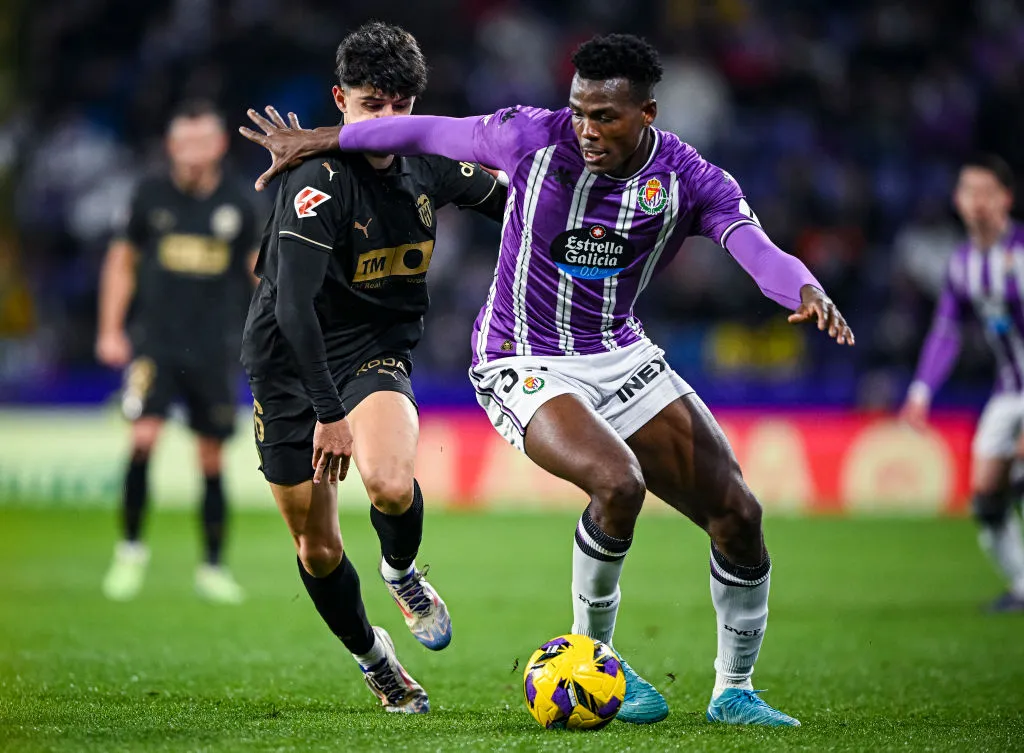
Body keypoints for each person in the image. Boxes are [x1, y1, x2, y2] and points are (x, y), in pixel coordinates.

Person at [240, 33, 854, 726]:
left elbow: (754, 245)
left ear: (646, 113)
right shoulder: (529, 135)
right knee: (610, 483)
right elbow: (427, 131)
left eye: (605, 117)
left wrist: (802, 287)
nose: (585, 130)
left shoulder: (688, 178)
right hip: (516, 355)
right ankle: (568, 654)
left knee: (740, 513)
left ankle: (733, 689)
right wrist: (322, 139)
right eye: (579, 110)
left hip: (615, 352)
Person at [239, 22, 507, 713]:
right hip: (289, 362)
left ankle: (402, 571)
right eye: (369, 105)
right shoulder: (316, 179)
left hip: (369, 346)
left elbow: (519, 205)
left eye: (399, 105)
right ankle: (374, 657)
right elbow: (293, 309)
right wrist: (329, 415)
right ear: (341, 100)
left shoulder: (431, 163)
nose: (386, 122)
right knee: (317, 544)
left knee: (389, 482)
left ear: (416, 104)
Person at [97, 100, 260, 604]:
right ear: (171, 146)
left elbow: (259, 274)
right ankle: (130, 552)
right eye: (182, 143)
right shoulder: (150, 196)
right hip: (155, 344)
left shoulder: (239, 202)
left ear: (219, 146)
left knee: (210, 457)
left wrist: (276, 333)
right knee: (142, 438)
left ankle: (212, 567)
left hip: (214, 346)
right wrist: (110, 329)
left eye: (201, 143)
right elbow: (121, 262)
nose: (191, 154)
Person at [901, 154, 1024, 613]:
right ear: (957, 199)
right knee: (987, 500)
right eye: (968, 192)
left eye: (987, 192)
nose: (977, 202)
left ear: (1006, 199)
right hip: (1008, 391)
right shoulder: (963, 265)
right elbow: (946, 332)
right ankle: (1021, 585)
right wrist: (921, 392)